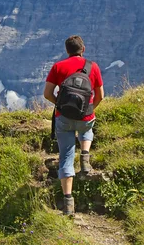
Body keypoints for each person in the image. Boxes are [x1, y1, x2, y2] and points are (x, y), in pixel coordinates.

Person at [44, 35, 104, 216]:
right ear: (83, 49)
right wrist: (89, 109)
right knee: (87, 129)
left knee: (66, 157)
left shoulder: (58, 66)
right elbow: (101, 94)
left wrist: (60, 106)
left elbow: (47, 93)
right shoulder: (93, 67)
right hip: (85, 116)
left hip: (63, 118)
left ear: (67, 50)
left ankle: (68, 203)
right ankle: (85, 158)